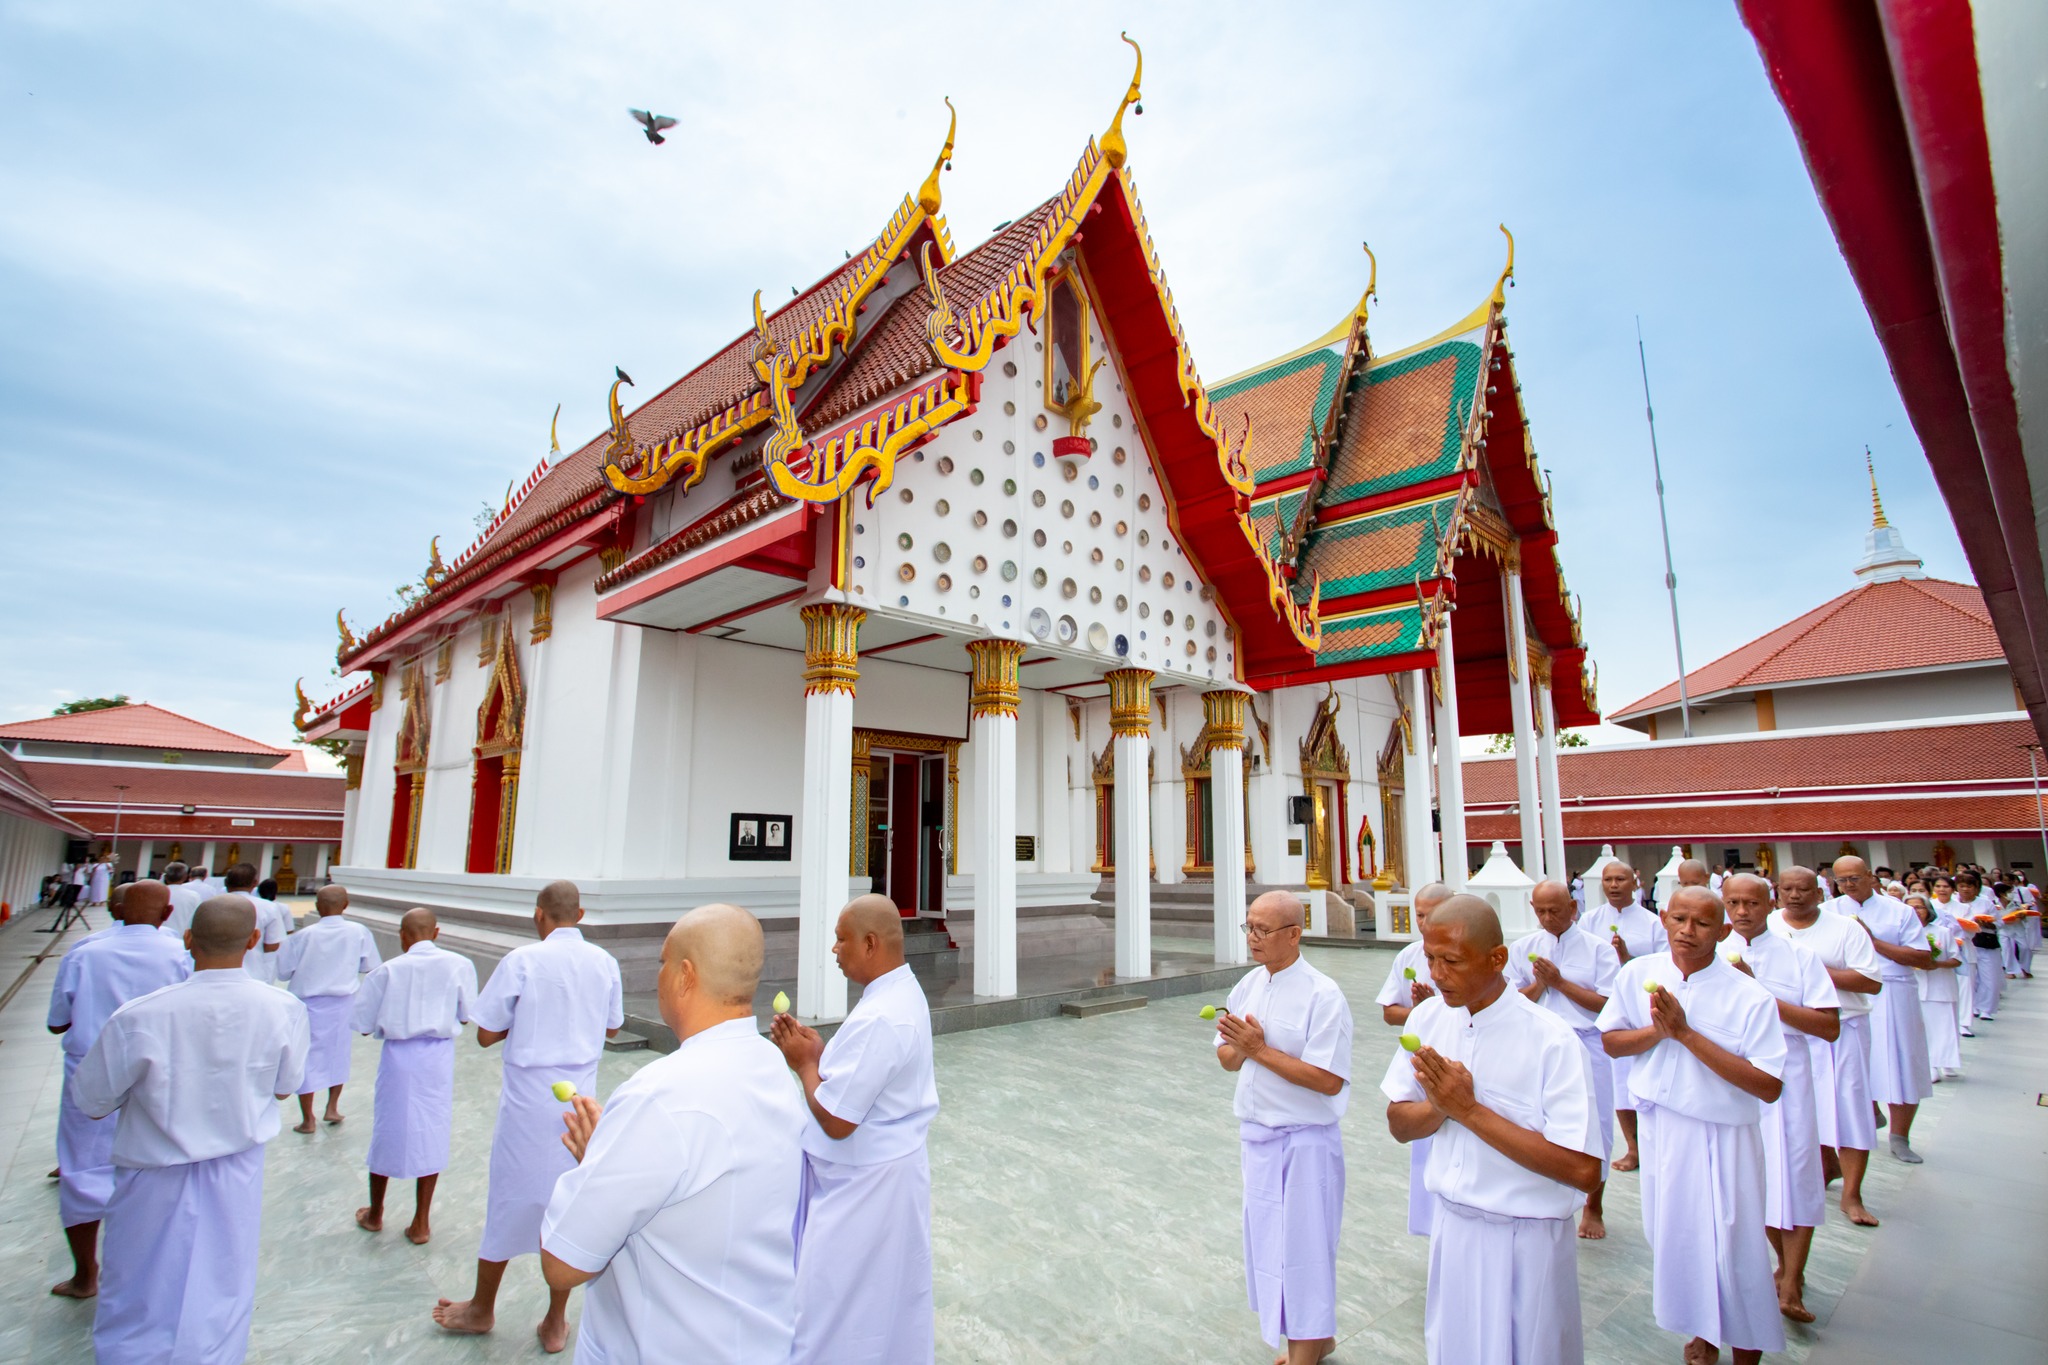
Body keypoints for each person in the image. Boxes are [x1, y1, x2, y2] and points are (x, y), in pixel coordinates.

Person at [541, 904, 805, 1363]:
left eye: (663, 963)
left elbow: (563, 1264)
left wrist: (595, 1162)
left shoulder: (660, 1096)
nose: (658, 974)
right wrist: (614, 1157)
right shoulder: (771, 1067)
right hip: (758, 1337)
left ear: (685, 976)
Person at [72, 896, 310, 1363]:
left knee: (139, 1289)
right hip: (235, 1170)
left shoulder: (140, 1014)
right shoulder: (282, 1008)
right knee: (222, 1288)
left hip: (153, 1171)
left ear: (186, 940)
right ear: (254, 941)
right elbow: (285, 1089)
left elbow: (91, 1101)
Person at [1383, 895, 1603, 1364]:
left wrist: (1469, 1111)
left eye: (1452, 961)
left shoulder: (1551, 1039)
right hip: (1454, 1228)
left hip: (1528, 1238)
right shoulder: (1427, 1018)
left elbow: (1585, 1171)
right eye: (1430, 959)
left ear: (1498, 958)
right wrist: (1441, 1108)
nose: (1437, 975)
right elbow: (1399, 1122)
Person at [1598, 886, 1786, 1365]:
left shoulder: (1749, 996)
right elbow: (1613, 1042)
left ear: (1724, 931)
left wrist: (1684, 1034)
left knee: (1735, 1247)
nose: (1687, 931)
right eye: (1679, 919)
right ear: (1663, 919)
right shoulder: (1640, 973)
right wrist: (1656, 1032)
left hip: (1724, 1138)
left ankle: (1746, 1349)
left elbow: (1767, 1084)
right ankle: (1703, 1331)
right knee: (1675, 1240)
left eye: (1702, 923)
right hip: (1664, 1131)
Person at [434, 879, 623, 1352]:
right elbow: (614, 1026)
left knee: (509, 1199)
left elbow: (484, 1033)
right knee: (566, 1202)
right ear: (579, 916)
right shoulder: (604, 962)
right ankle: (556, 1321)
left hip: (527, 1102)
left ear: (538, 915)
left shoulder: (522, 960)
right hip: (579, 1101)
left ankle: (482, 1307)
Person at [771, 895, 939, 1365]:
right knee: (876, 1303)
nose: (834, 950)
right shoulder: (895, 994)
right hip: (881, 1178)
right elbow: (865, 1081)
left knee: (833, 1302)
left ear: (869, 944)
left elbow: (838, 1120)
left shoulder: (884, 1014)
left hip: (866, 1188)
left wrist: (804, 1064)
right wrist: (825, 1056)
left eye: (841, 939)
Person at [1214, 890, 1353, 1365]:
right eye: (1248, 927)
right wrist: (1241, 1045)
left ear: (1294, 935)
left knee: (1306, 1250)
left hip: (1305, 1141)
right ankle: (1314, 1337)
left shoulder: (1323, 994)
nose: (1253, 938)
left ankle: (1306, 1350)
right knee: (1271, 1246)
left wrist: (1259, 1049)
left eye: (1263, 930)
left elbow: (1329, 1079)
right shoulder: (1248, 985)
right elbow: (1227, 1059)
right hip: (1258, 1138)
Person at [44, 880, 191, 1298]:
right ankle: (142, 1274)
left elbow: (57, 1022)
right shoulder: (182, 954)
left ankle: (86, 1274)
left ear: (115, 910)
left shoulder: (85, 952)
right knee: (153, 1170)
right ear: (166, 915)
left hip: (90, 1070)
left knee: (83, 1170)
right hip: (160, 1074)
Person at [1719, 873, 1838, 1324]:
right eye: (1734, 903)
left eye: (1752, 903)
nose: (1743, 912)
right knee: (1757, 1179)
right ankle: (1785, 1266)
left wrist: (1760, 992)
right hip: (1733, 1079)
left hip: (1789, 1079)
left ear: (1769, 904)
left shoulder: (1799, 957)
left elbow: (1829, 1026)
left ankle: (1791, 1281)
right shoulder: (1707, 957)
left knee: (1799, 1173)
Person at [353, 907, 478, 1244]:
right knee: (431, 1129)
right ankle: (421, 1222)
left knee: (387, 1128)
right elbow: (467, 1015)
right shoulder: (459, 965)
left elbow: (363, 1026)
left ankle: (376, 1213)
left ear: (402, 936)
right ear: (436, 933)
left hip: (398, 1056)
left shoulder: (386, 971)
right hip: (437, 1056)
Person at [1504, 877, 1618, 1240]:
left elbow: (1609, 1006)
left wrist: (1561, 982)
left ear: (1573, 908)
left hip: (1586, 1042)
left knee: (1594, 1123)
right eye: (1541, 911)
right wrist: (1540, 985)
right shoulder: (1524, 948)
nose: (1548, 918)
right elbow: (1508, 1001)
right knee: (1536, 1121)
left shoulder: (1599, 950)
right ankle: (1544, 1196)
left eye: (1556, 910)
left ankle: (1593, 1204)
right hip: (1536, 1043)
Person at [1770, 865, 1884, 1226]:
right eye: (1787, 889)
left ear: (1819, 893)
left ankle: (1852, 1194)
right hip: (1786, 1033)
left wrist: (1811, 968)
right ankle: (1822, 1168)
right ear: (1778, 893)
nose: (1795, 895)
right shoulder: (1769, 925)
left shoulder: (1844, 927)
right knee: (1802, 1110)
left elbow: (1869, 980)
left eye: (1803, 889)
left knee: (1849, 1109)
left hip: (1843, 1029)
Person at [1825, 856, 1933, 1164]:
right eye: (1842, 880)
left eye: (1854, 879)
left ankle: (1900, 1135)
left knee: (1902, 1063)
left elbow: (1922, 958)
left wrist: (1873, 942)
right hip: (1848, 993)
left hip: (1894, 992)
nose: (1849, 885)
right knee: (1854, 1065)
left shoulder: (1899, 912)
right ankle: (1868, 1113)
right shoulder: (1829, 912)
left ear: (1870, 876)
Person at [1373, 881, 1454, 1237]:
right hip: (1421, 1056)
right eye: (1420, 915)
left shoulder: (1470, 954)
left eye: (1432, 914)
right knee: (1426, 1143)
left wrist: (1439, 1003)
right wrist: (1420, 1010)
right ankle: (1433, 1228)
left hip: (1459, 1054)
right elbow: (1390, 1013)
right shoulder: (1408, 956)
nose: (1423, 922)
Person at [275, 884, 380, 1133]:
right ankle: (332, 1107)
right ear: (345, 905)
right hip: (343, 1002)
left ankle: (308, 1118)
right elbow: (370, 966)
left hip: (308, 1003)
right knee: (338, 1053)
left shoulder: (303, 936)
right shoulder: (358, 932)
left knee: (307, 1056)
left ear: (317, 907)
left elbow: (283, 971)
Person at [1595, 861, 1665, 1172]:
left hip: (1644, 1010)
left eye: (1620, 879)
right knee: (1619, 1082)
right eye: (1608, 880)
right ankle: (1633, 1146)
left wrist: (1627, 958)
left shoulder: (1652, 924)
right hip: (1609, 1009)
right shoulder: (1590, 920)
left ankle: (1653, 1143)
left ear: (1634, 882)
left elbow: (1663, 965)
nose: (1613, 885)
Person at [1907, 896, 1963, 1081]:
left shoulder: (1942, 932)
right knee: (1925, 1029)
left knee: (1945, 1027)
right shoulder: (1902, 934)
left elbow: (1956, 959)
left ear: (1928, 910)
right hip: (1915, 986)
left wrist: (1936, 964)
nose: (1916, 911)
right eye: (1911, 908)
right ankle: (1930, 1065)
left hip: (1941, 986)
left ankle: (1946, 1062)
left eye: (1919, 907)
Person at [221, 863, 288, 982]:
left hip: (215, 971)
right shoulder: (269, 907)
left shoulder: (209, 904)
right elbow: (272, 945)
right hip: (253, 972)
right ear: (255, 883)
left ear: (226, 882)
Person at [1955, 870, 2002, 1021]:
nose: (1965, 889)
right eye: (1962, 886)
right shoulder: (1954, 903)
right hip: (1964, 944)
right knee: (1969, 979)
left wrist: (1987, 924)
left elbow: (2000, 923)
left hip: (1985, 942)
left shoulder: (1985, 903)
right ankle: (1972, 1006)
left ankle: (1986, 1009)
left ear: (1976, 888)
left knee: (1989, 978)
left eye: (1969, 886)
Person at [161, 862, 204, 938]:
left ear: (166, 877)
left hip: (158, 936)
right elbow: (198, 919)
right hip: (181, 939)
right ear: (185, 877)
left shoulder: (156, 893)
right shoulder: (193, 896)